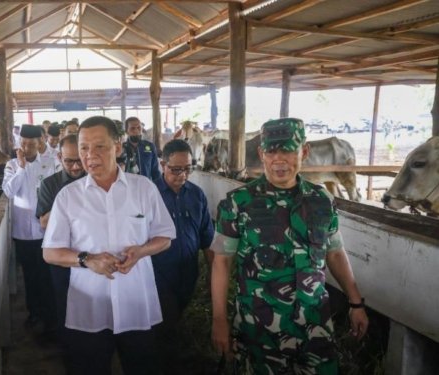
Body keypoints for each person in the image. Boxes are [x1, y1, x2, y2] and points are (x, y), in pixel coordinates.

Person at [211, 118, 369, 374]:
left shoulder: (322, 201)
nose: (279, 159)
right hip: (260, 329)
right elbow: (221, 262)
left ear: (304, 151)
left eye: (287, 150)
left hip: (315, 325)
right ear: (262, 153)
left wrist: (356, 303)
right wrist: (218, 319)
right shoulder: (237, 203)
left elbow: (335, 252)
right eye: (271, 151)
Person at [42, 116, 176, 374]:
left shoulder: (143, 189)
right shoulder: (68, 197)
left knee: (142, 367)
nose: (90, 155)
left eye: (99, 146)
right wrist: (86, 259)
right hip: (88, 308)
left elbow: (165, 237)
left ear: (117, 146)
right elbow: (50, 252)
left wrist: (141, 251)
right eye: (83, 147)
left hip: (136, 303)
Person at [152, 139, 215, 374]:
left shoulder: (197, 195)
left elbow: (207, 238)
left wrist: (212, 275)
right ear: (162, 165)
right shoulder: (149, 195)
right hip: (158, 274)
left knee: (175, 318)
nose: (182, 175)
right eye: (176, 169)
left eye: (188, 168)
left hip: (188, 274)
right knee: (165, 326)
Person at [2, 125, 58, 334]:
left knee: (46, 275)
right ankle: (34, 313)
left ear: (40, 143)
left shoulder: (51, 163)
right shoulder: (12, 165)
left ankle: (50, 315)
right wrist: (22, 168)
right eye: (23, 143)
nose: (26, 147)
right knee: (29, 276)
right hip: (24, 233)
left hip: (47, 231)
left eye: (31, 144)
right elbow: (9, 191)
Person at [35, 134, 86, 337]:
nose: (75, 167)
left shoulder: (96, 182)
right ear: (59, 157)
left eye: (79, 161)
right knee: (64, 301)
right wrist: (67, 201)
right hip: (62, 254)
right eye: (69, 161)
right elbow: (44, 222)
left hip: (92, 251)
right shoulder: (50, 184)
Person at [122, 116, 160, 182]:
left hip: (146, 187)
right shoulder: (122, 148)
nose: (136, 131)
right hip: (127, 187)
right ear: (126, 131)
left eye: (139, 128)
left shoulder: (150, 146)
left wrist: (159, 187)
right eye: (132, 128)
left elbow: (155, 171)